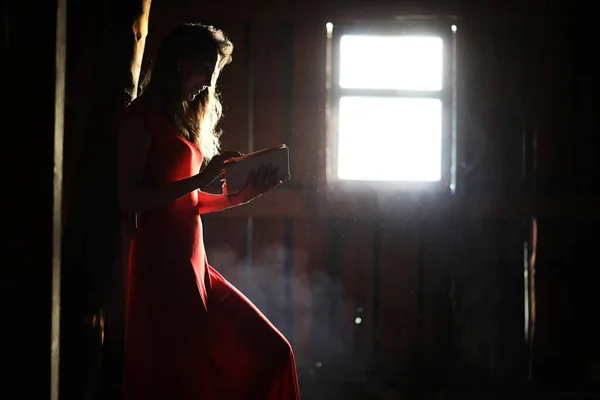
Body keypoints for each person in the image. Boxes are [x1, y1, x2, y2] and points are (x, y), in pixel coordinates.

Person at [117, 22, 300, 399]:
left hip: (194, 265)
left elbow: (190, 203)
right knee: (184, 378)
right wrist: (197, 181)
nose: (210, 79)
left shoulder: (180, 121)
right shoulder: (140, 118)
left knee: (273, 350)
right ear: (179, 62)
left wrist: (239, 197)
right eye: (206, 67)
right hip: (161, 266)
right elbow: (130, 199)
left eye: (215, 71)